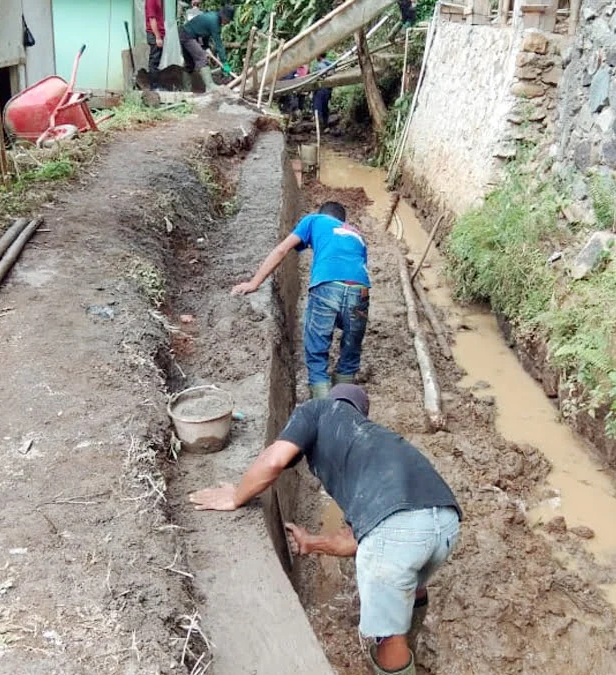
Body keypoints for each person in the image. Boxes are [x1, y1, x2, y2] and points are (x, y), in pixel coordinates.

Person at [189, 384, 461, 675]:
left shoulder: (318, 410)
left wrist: (236, 496)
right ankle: (411, 643)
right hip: (445, 522)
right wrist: (312, 542)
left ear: (334, 402)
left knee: (389, 636)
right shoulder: (375, 446)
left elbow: (273, 460)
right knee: (413, 584)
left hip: (398, 531)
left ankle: (396, 654)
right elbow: (363, 540)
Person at [232, 201, 369, 400]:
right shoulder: (358, 235)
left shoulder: (313, 220)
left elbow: (281, 250)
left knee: (317, 351)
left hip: (327, 284)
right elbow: (354, 274)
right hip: (360, 289)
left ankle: (323, 410)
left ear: (323, 213)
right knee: (350, 352)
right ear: (343, 221)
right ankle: (342, 406)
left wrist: (254, 283)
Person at [180, 5, 234, 92]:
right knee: (202, 57)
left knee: (189, 65)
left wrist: (206, 47)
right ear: (224, 17)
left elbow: (205, 33)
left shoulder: (213, 17)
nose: (227, 23)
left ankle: (186, 91)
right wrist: (225, 63)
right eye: (228, 21)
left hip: (184, 33)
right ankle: (210, 86)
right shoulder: (215, 22)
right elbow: (219, 44)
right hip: (188, 36)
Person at [144, 0, 165, 90]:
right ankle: (154, 87)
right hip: (153, 34)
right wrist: (157, 37)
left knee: (156, 61)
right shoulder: (151, 1)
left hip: (157, 33)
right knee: (154, 62)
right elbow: (152, 18)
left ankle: (155, 85)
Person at [311, 53, 332, 127]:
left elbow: (317, 78)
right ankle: (326, 126)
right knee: (325, 107)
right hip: (328, 89)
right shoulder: (330, 64)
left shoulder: (319, 65)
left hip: (320, 89)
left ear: (319, 56)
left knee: (317, 108)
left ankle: (318, 128)